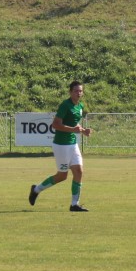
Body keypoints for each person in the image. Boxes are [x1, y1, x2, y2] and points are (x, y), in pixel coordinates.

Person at [28, 80, 93, 212]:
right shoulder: (65, 105)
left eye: (80, 91)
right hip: (61, 145)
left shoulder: (80, 107)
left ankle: (74, 204)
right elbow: (55, 125)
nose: (79, 93)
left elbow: (75, 126)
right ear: (70, 92)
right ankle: (36, 189)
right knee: (62, 176)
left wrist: (83, 131)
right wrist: (73, 130)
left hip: (72, 144)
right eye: (76, 91)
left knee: (79, 171)